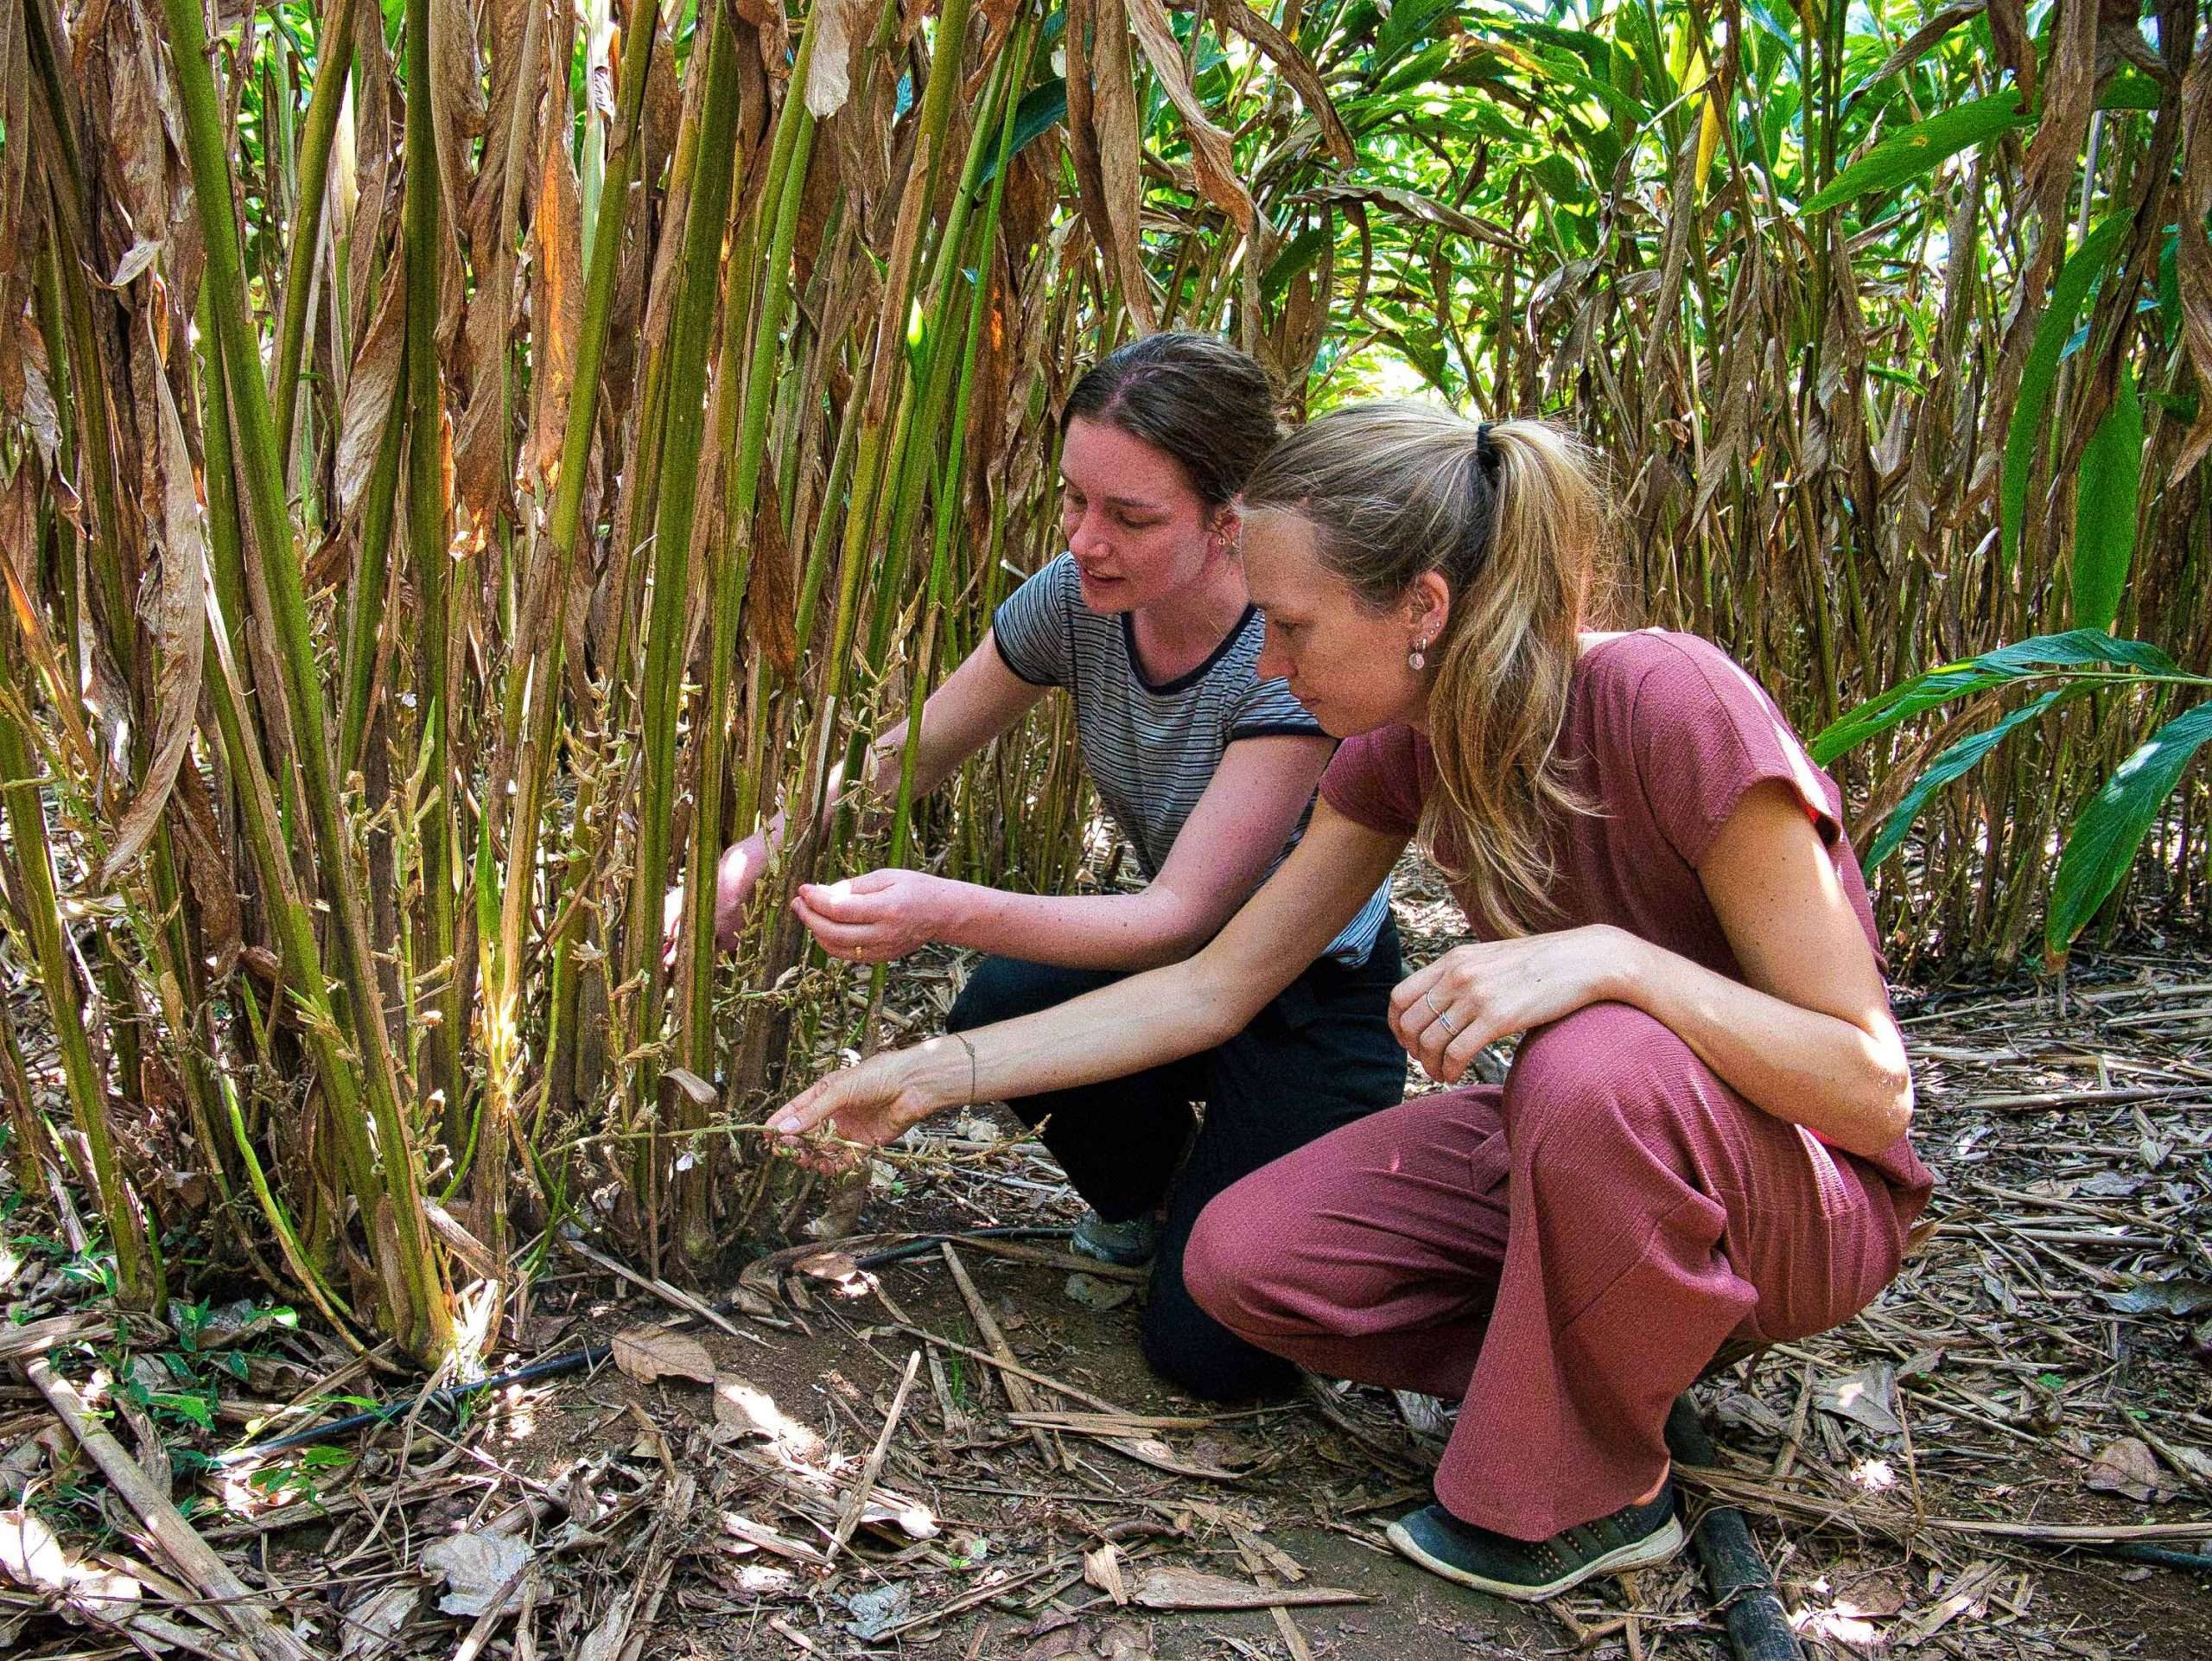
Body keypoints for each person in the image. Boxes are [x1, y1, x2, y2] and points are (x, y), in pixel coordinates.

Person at [766, 401, 1934, 1601]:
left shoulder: (1670, 696)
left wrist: (1617, 961)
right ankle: (1602, 1345)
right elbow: (1213, 985)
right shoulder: (1406, 741)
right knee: (1241, 1264)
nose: (1267, 665)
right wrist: (925, 1077)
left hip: (1800, 1189)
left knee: (1595, 1058)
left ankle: (1595, 1493)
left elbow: (1867, 1082)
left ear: (1421, 607)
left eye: (1291, 624)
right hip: (1589, 1149)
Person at [702, 334, 1403, 1400]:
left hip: (1306, 991)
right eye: (1074, 500)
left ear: (1230, 521)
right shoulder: (1074, 598)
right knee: (1004, 1003)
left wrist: (942, 908)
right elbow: (917, 749)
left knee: (1209, 1360)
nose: (1084, 540)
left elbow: (1180, 919)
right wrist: (759, 849)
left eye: (1130, 517)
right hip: (1177, 981)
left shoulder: (1290, 651)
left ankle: (1248, 1230)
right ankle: (1168, 1205)